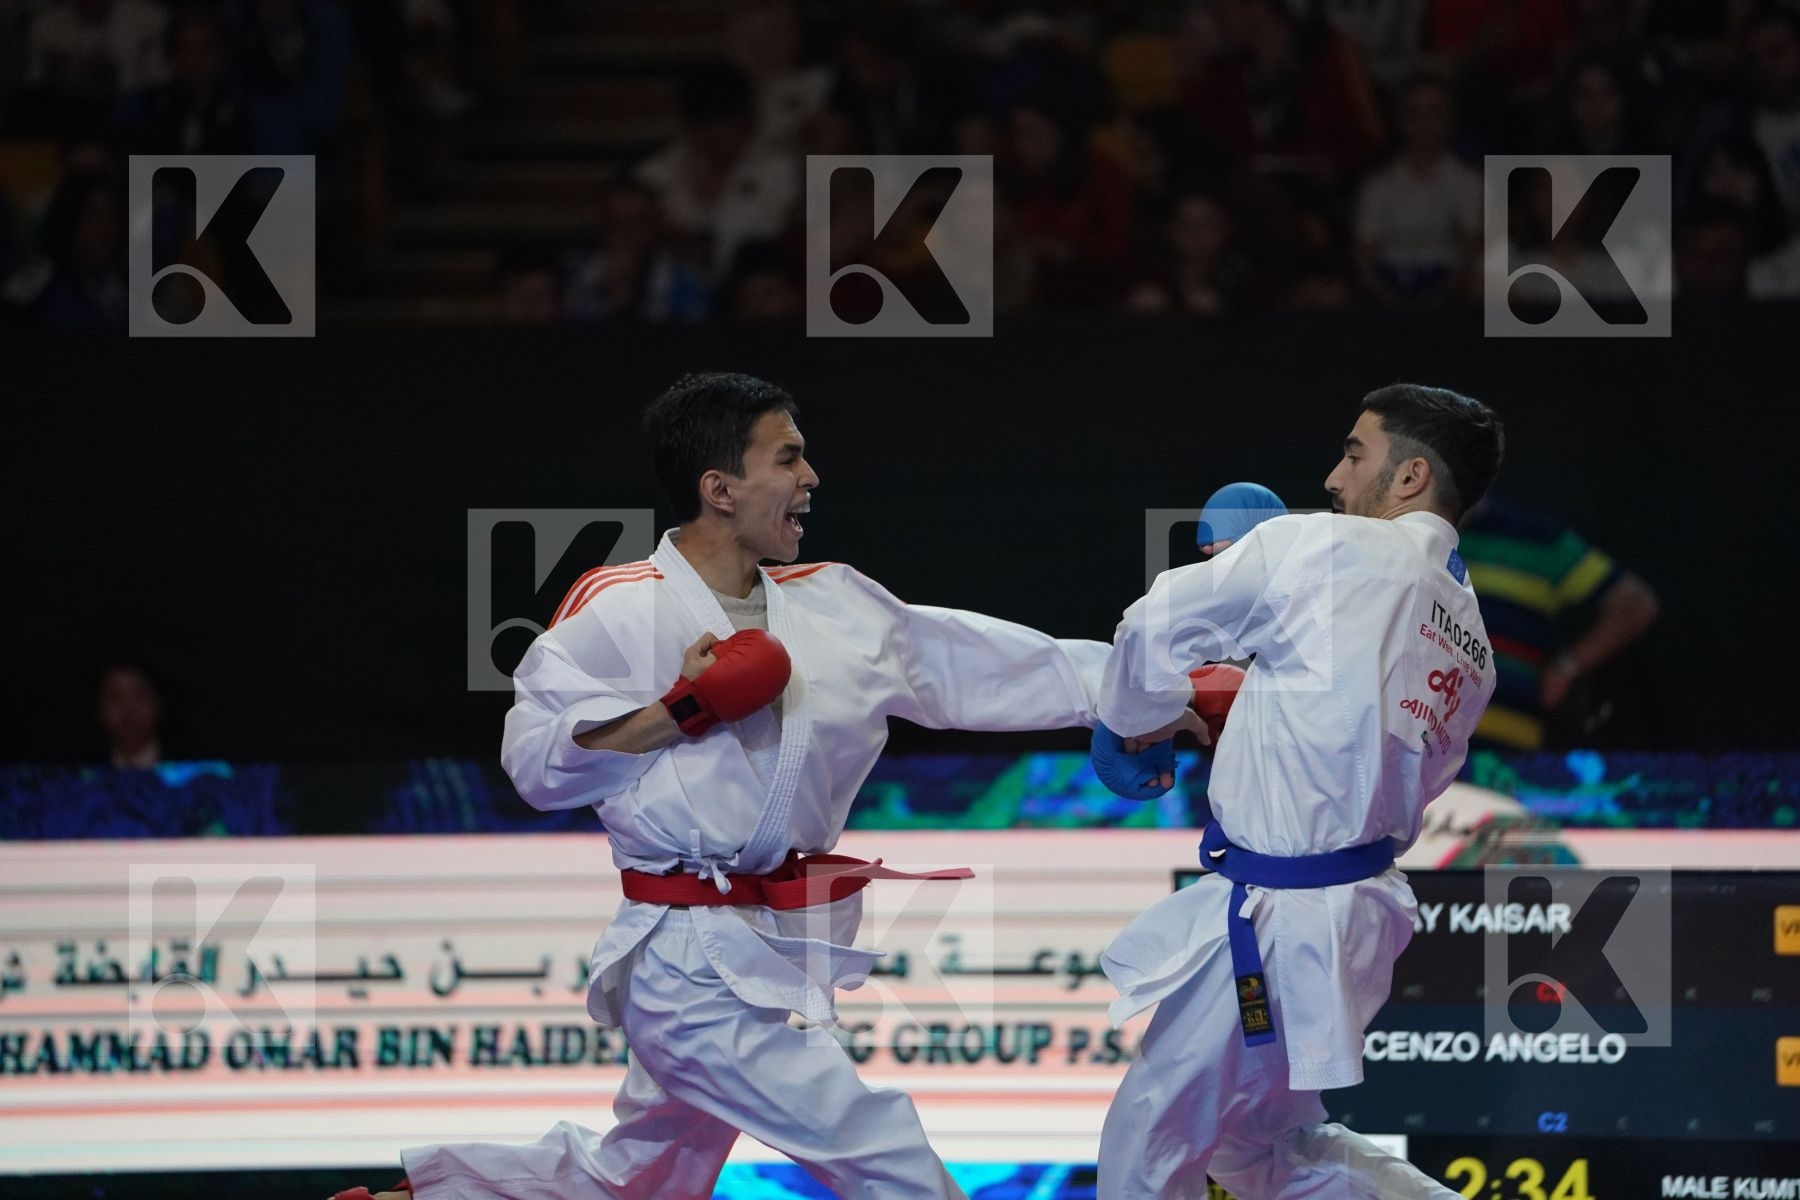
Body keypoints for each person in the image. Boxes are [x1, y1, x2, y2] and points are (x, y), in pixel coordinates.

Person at [332, 372, 1111, 1200]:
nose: (811, 479)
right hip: (681, 956)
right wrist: (681, 708)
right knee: (873, 1144)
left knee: (643, 1181)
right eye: (789, 458)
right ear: (721, 489)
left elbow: (989, 664)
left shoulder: (838, 604)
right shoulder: (620, 607)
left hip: (764, 943)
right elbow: (534, 765)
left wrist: (1153, 695)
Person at [1091, 383, 1504, 1199]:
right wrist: (1254, 695)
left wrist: (1127, 723)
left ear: (1412, 476)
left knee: (1153, 1129)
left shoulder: (1328, 548)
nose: (1334, 478)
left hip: (1283, 918)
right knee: (1263, 1151)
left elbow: (1152, 624)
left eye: (1355, 454)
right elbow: (1370, 756)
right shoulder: (1472, 640)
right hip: (1357, 914)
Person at [1456, 495, 1659, 752]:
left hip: (1502, 755)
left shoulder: (1537, 540)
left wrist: (1567, 667)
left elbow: (1635, 604)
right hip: (1407, 752)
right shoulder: (1395, 534)